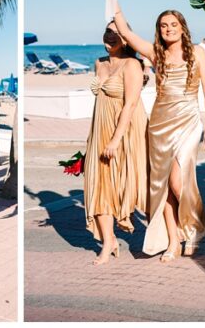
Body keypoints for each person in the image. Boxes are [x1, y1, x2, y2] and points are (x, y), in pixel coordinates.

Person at [107, 0, 205, 262]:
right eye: (164, 26)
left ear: (182, 28)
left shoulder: (199, 53)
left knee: (179, 183)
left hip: (189, 121)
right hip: (160, 124)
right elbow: (126, 33)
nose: (168, 29)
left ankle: (195, 223)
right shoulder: (156, 54)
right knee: (164, 185)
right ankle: (172, 240)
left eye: (173, 25)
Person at [82, 21, 148, 265]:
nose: (110, 38)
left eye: (117, 34)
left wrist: (116, 139)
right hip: (99, 128)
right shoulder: (99, 62)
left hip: (124, 131)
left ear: (128, 39)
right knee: (98, 183)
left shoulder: (132, 65)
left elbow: (131, 104)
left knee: (122, 181)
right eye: (108, 32)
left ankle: (131, 219)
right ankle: (108, 241)